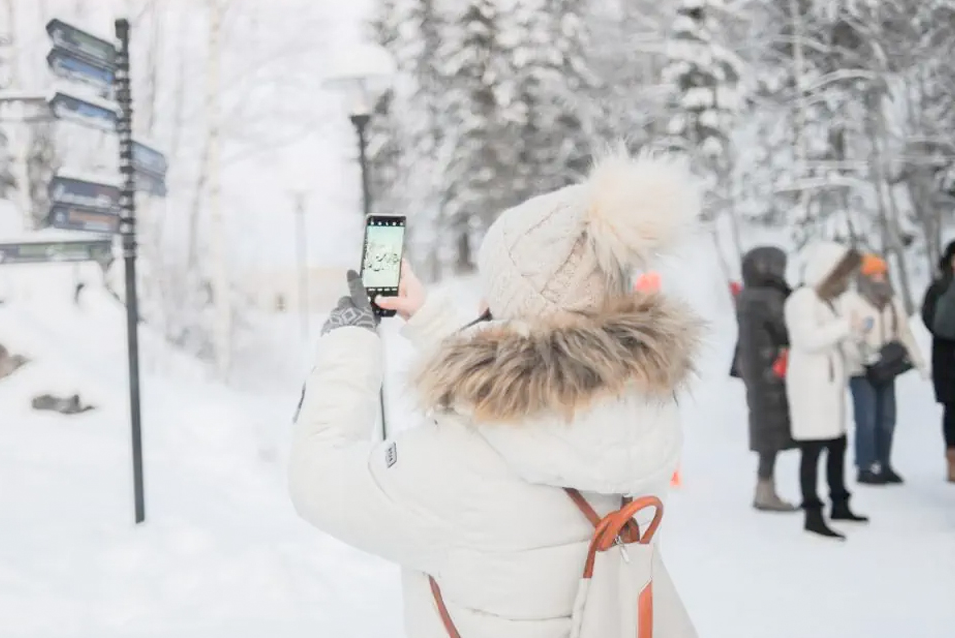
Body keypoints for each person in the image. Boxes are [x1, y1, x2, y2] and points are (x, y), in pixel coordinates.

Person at [289, 150, 702, 637]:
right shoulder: (645, 406)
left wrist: (349, 343)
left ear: (514, 309)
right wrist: (428, 318)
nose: (483, 304)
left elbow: (319, 480)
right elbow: (543, 398)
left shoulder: (457, 459)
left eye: (495, 293)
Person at [783, 241, 867, 540]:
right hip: (811, 389)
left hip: (830, 388)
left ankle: (839, 502)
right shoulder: (802, 299)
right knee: (812, 450)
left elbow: (836, 337)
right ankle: (812, 512)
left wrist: (856, 334)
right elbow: (808, 339)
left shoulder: (827, 300)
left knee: (836, 445)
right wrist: (845, 326)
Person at [838, 254, 929, 485]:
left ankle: (884, 463)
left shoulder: (892, 301)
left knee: (887, 418)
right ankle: (865, 466)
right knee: (866, 418)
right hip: (860, 369)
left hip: (886, 367)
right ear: (863, 277)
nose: (879, 279)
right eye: (873, 274)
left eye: (882, 274)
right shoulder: (850, 301)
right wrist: (862, 358)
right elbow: (845, 335)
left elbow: (904, 333)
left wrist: (919, 362)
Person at [734, 247, 796, 511]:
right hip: (771, 371)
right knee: (772, 432)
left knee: (765, 429)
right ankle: (765, 490)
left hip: (756, 371)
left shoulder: (748, 296)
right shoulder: (768, 298)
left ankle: (765, 487)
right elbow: (786, 329)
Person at [921, 240, 955, 482]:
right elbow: (930, 319)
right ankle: (952, 460)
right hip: (947, 359)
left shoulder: (937, 287)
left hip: (944, 356)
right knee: (952, 411)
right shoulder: (940, 287)